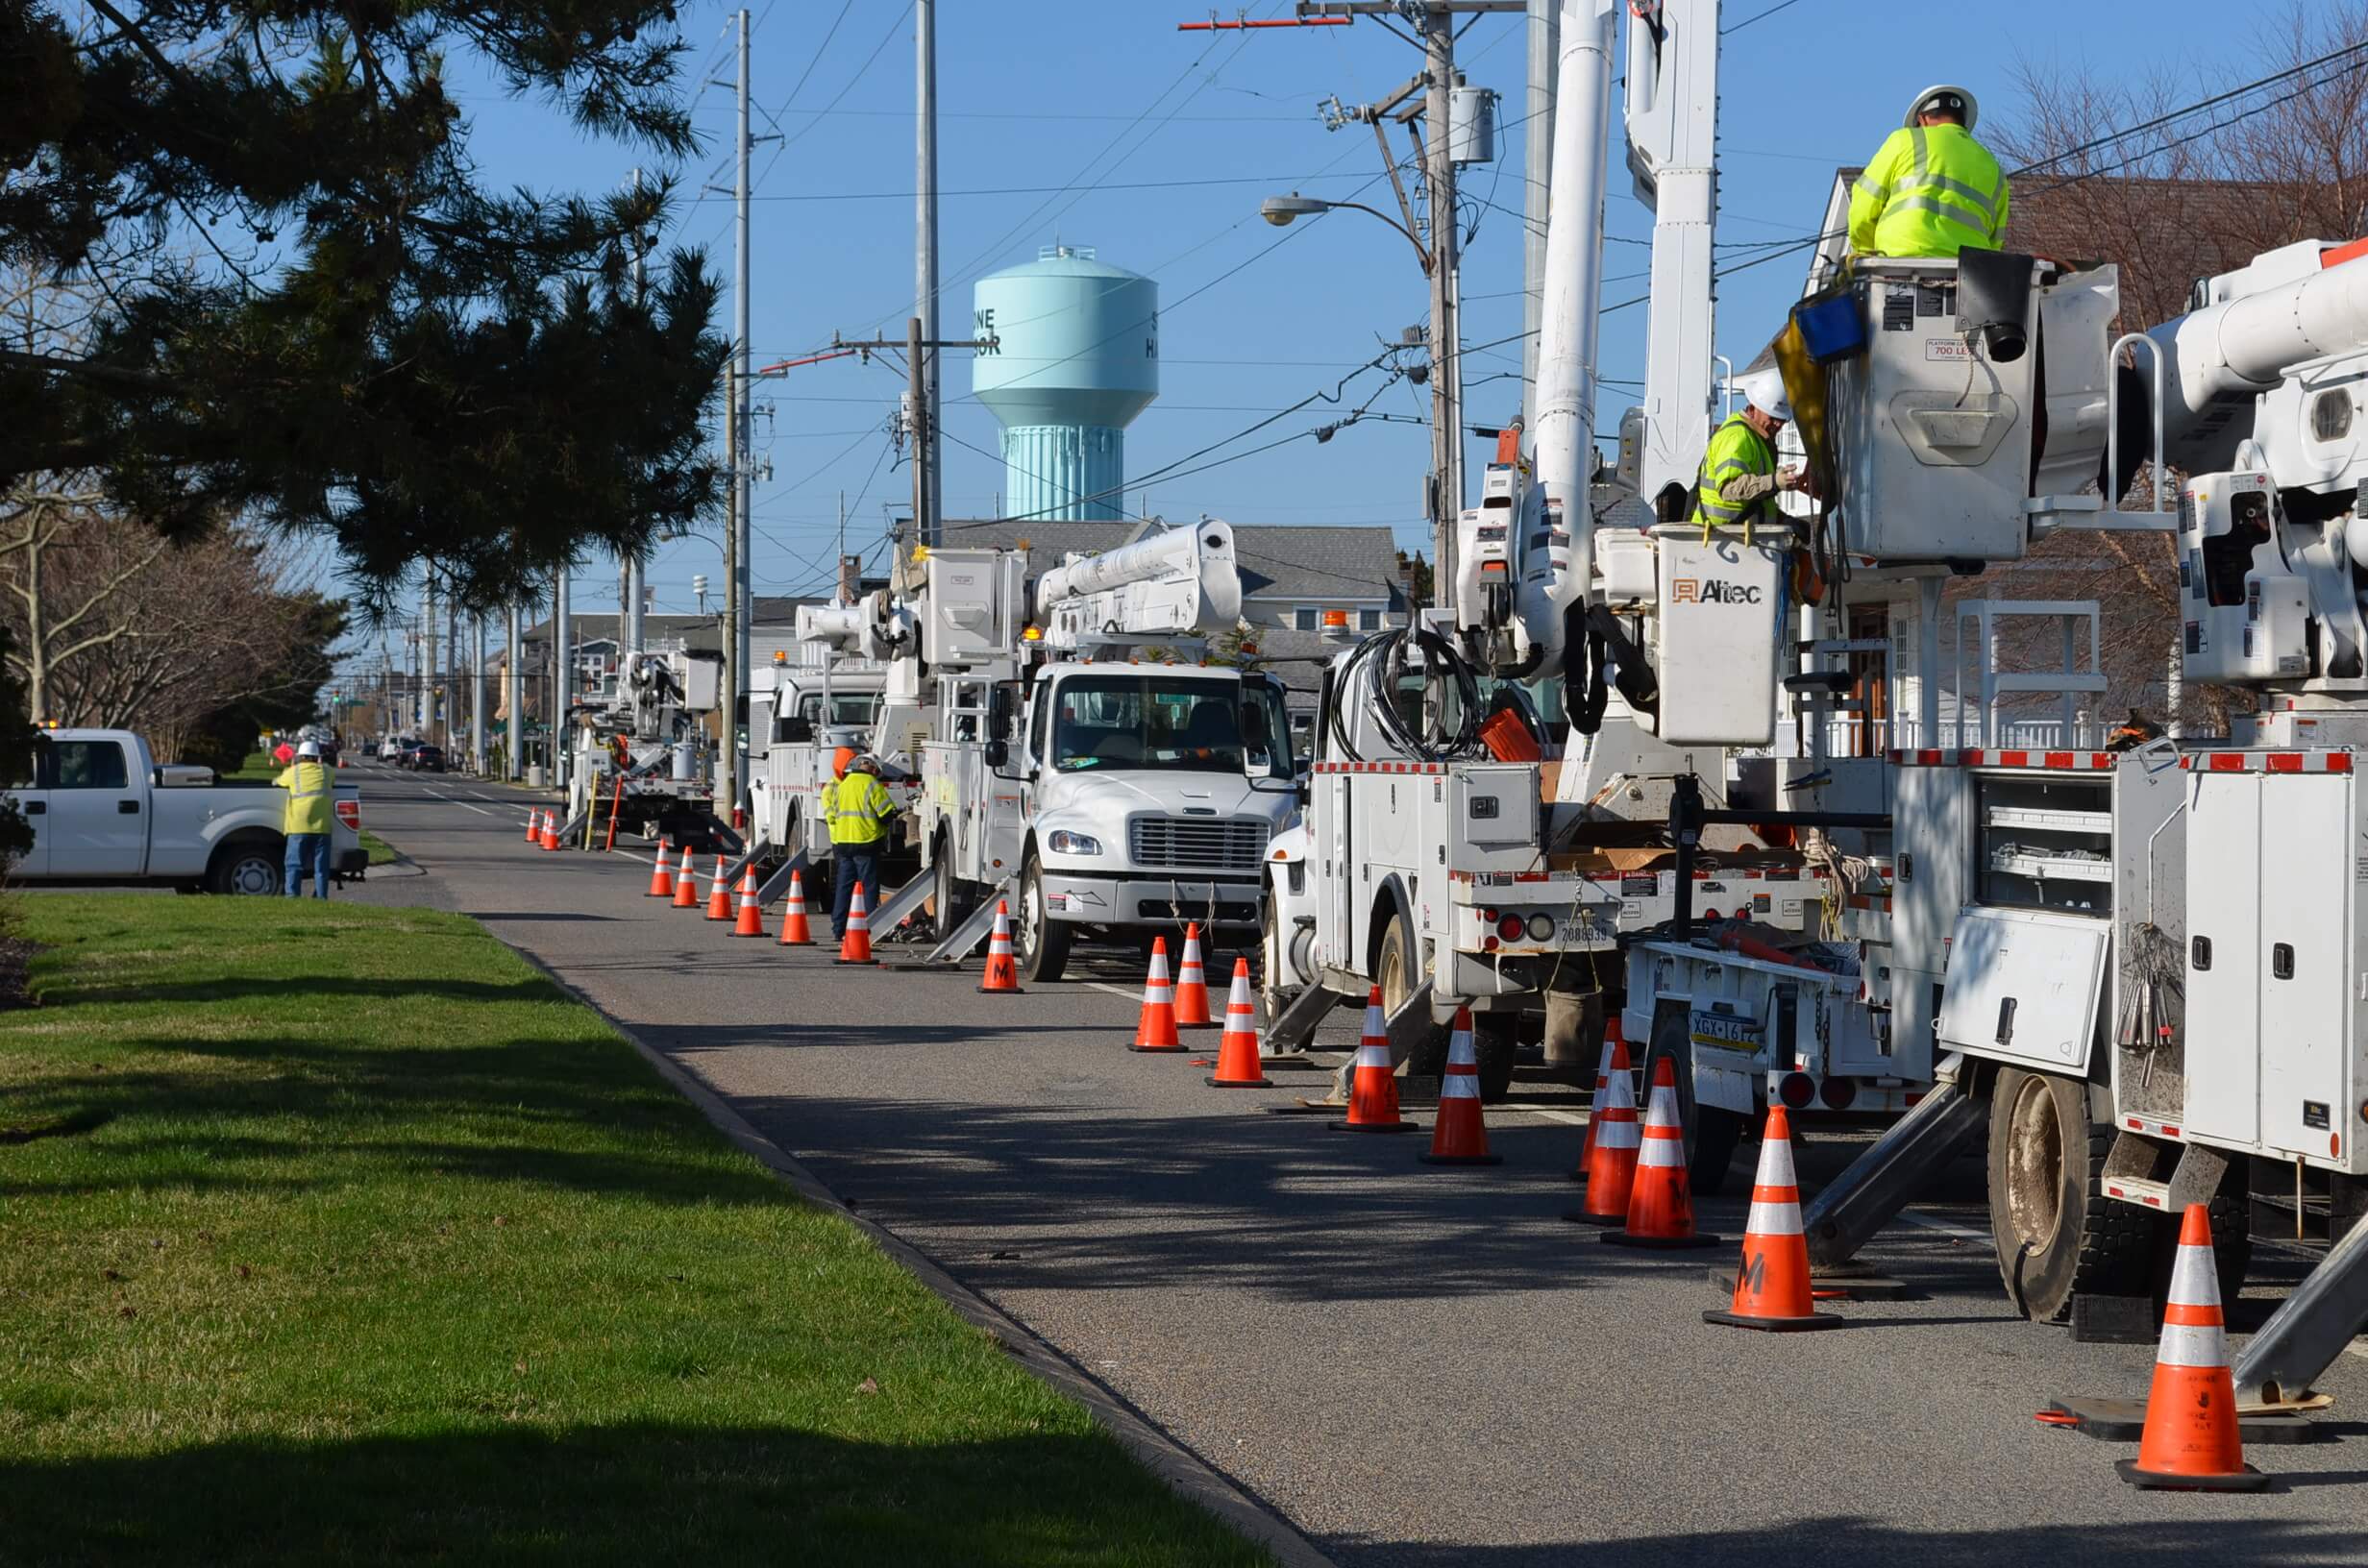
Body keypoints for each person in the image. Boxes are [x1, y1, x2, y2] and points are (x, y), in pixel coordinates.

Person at [1848, 86, 2009, 259]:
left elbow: (1864, 204)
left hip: (1902, 259)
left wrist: (1865, 251)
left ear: (1922, 119)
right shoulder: (1994, 168)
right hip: (1968, 270)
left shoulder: (1905, 140)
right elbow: (1996, 239)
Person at [1694, 367, 1813, 540]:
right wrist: (1774, 481)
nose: (1777, 425)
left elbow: (1755, 500)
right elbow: (1729, 488)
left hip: (1737, 538)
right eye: (1772, 417)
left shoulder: (1758, 440)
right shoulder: (1737, 437)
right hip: (1719, 540)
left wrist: (1784, 520)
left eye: (1781, 420)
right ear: (1753, 408)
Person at [821, 750, 897, 940]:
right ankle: (870, 929)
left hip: (843, 843)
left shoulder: (843, 785)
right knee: (869, 887)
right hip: (866, 842)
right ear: (871, 767)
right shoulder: (872, 785)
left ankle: (838, 929)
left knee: (843, 887)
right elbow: (886, 814)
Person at [275, 739, 336, 899]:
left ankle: (292, 897)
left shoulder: (293, 772)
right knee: (321, 868)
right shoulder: (327, 772)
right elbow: (332, 780)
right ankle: (322, 897)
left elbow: (277, 782)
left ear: (300, 757)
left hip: (298, 827)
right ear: (317, 758)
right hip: (322, 828)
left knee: (294, 866)